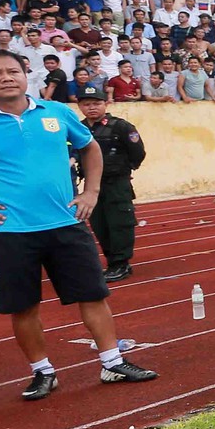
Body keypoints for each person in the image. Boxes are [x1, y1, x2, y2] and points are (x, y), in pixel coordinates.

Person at [0, 50, 154, 401]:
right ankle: (42, 371)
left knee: (93, 294)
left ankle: (112, 361)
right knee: (24, 306)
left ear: (27, 75)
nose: (7, 77)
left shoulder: (56, 112)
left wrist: (91, 192)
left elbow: (89, 149)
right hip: (11, 231)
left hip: (65, 223)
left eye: (14, 70)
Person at [75, 82, 145, 282]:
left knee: (120, 222)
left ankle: (121, 263)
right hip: (92, 186)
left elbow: (137, 152)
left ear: (105, 104)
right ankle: (112, 261)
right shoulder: (78, 129)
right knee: (99, 223)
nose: (92, 107)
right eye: (86, 104)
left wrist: (123, 169)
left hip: (116, 182)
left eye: (96, 103)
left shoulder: (121, 126)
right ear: (80, 106)